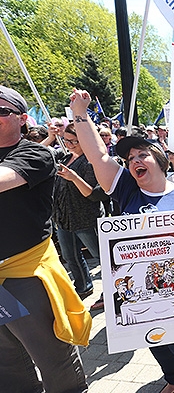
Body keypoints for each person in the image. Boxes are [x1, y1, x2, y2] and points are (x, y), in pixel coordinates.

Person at [69, 89, 174, 393]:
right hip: (138, 287)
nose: (134, 160)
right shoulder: (126, 187)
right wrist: (80, 115)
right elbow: (98, 155)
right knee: (153, 339)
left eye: (142, 155)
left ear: (160, 160)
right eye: (130, 158)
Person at [0, 85, 91, 392]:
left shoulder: (35, 153)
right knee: (7, 360)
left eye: (1, 111)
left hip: (26, 276)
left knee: (52, 357)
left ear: (22, 118)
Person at [50, 123, 107, 300]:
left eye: (74, 141)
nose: (69, 144)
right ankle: (83, 286)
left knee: (102, 257)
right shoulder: (66, 157)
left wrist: (74, 178)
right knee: (70, 256)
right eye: (66, 140)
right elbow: (40, 153)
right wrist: (51, 137)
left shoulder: (91, 161)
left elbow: (94, 194)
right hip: (64, 217)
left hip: (86, 219)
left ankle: (111, 290)